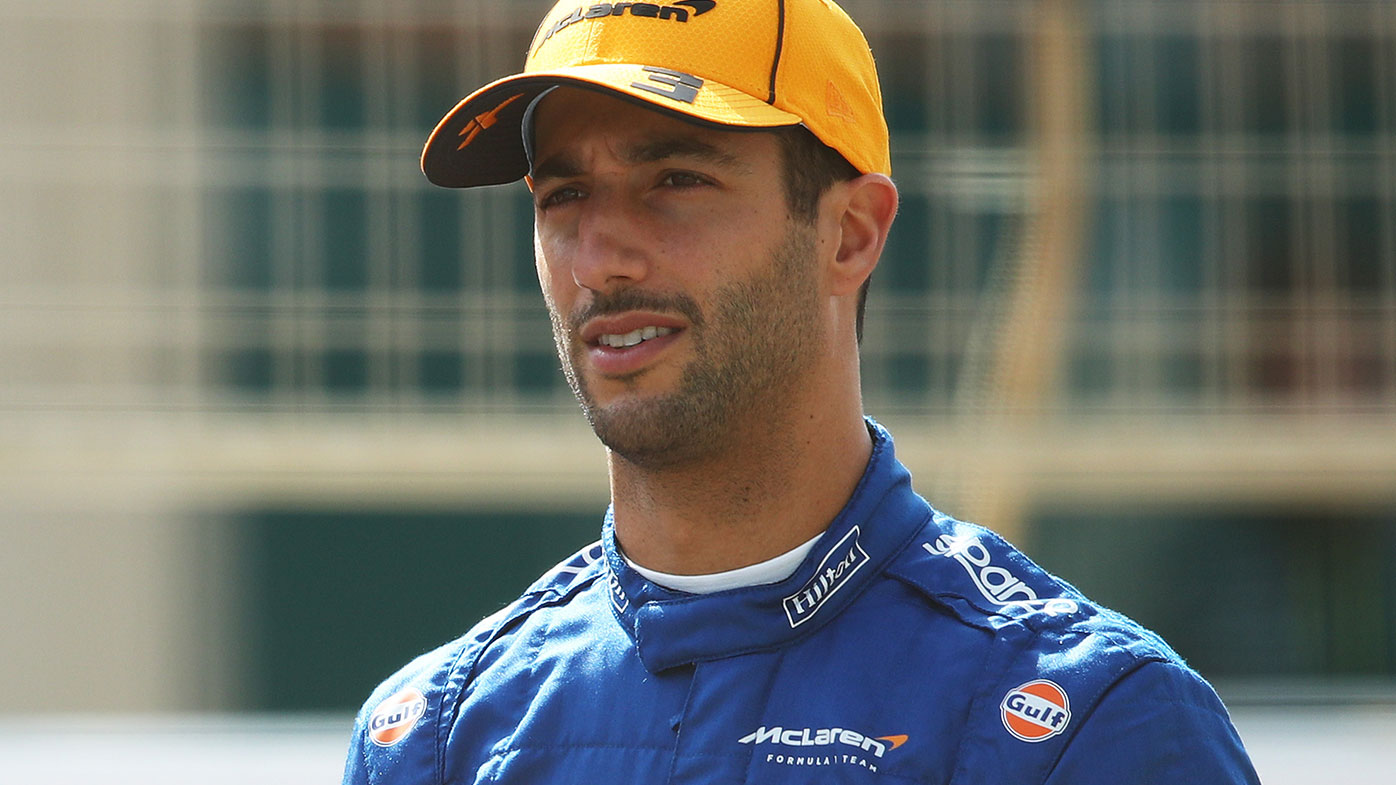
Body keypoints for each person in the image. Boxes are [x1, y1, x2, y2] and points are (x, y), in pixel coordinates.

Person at [344, 1, 1261, 782]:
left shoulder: (1083, 723)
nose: (599, 259)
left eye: (676, 180)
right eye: (563, 196)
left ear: (852, 233)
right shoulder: (436, 737)